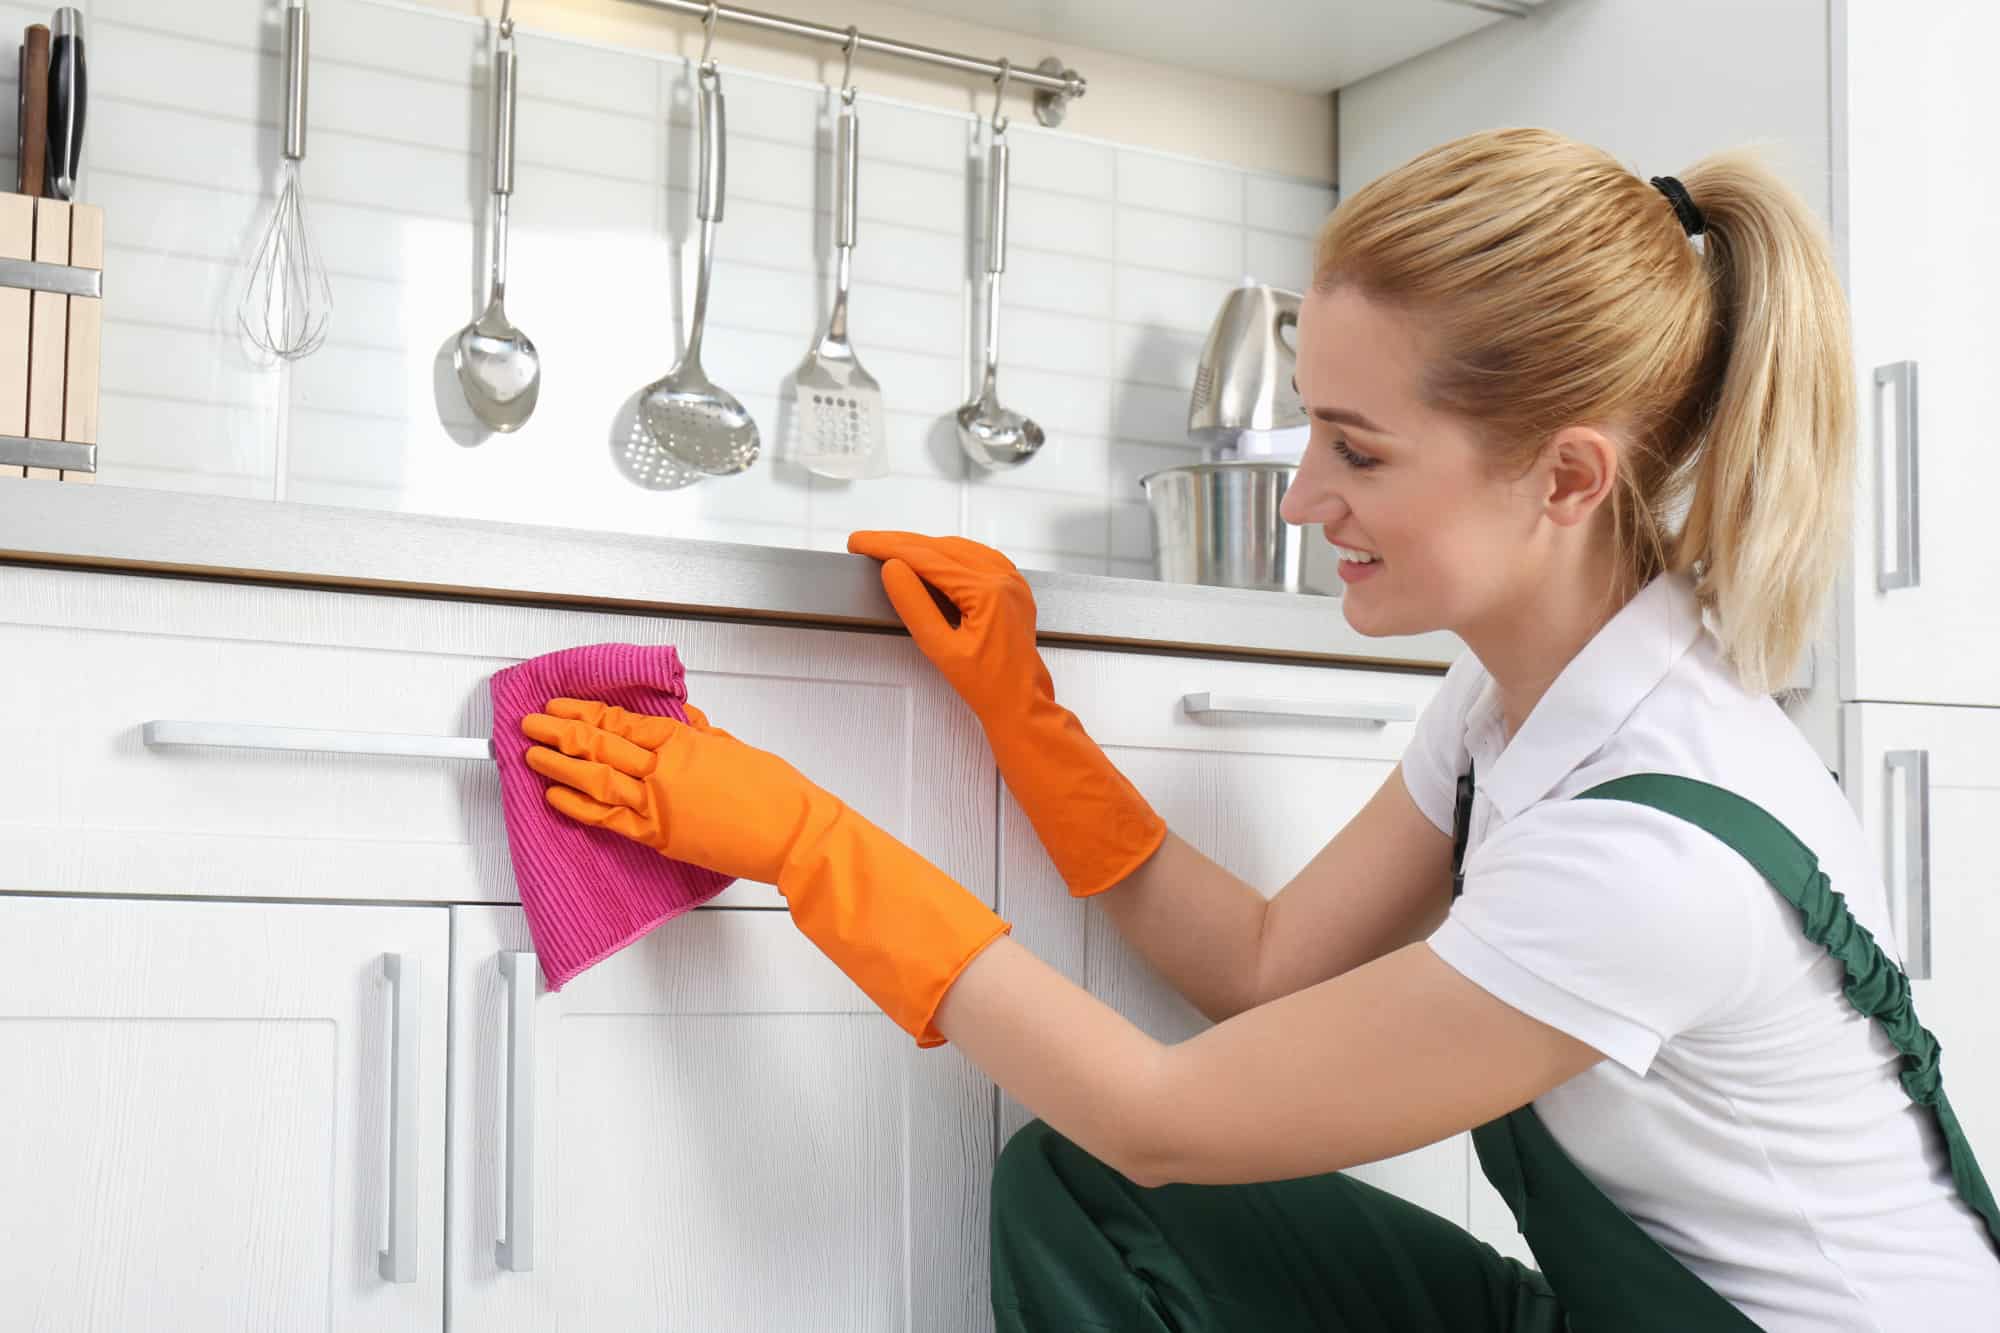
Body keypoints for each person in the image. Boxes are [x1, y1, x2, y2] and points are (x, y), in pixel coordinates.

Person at [516, 127, 2000, 1330]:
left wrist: (807, 839)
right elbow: (1269, 965)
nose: (1301, 499)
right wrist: (1029, 717)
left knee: (1127, 1151)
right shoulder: (1522, 698)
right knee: (1091, 1194)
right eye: (1309, 429)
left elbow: (1163, 1108)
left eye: (1356, 449)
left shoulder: (1650, 849)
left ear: (1564, 478)